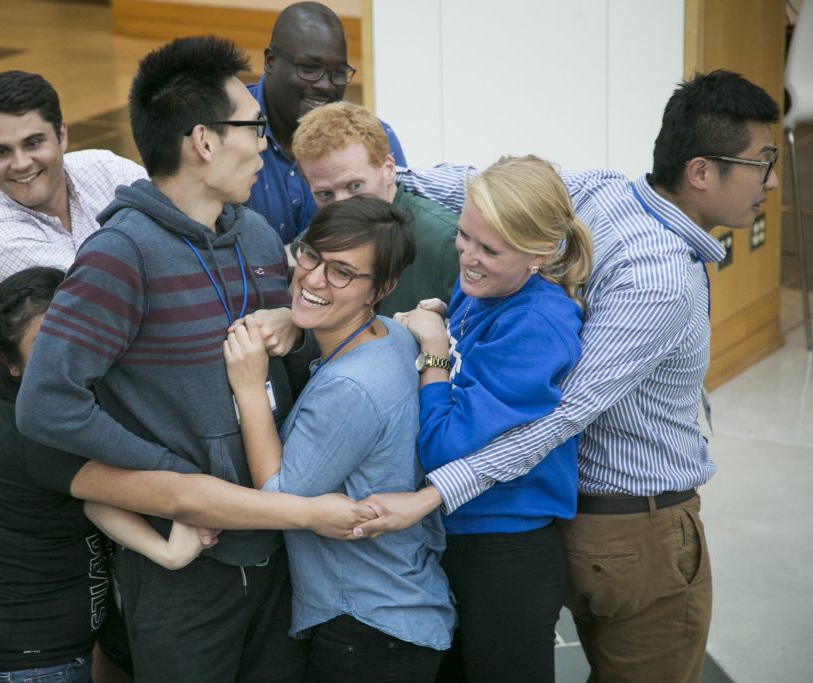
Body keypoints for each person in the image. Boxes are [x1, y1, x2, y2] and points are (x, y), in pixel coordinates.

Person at [358, 70, 782, 683]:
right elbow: (563, 416)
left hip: (564, 520)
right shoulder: (660, 280)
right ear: (701, 171)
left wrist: (392, 178)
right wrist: (434, 492)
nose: (770, 180)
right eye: (760, 162)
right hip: (635, 531)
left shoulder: (604, 192)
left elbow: (473, 182)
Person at [15, 36, 315, 681]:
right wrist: (178, 483)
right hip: (187, 568)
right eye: (254, 127)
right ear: (203, 141)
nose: (266, 143)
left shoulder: (258, 235)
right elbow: (46, 404)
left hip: (281, 550)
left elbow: (295, 368)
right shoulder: (119, 255)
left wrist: (297, 326)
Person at [0, 266, 376, 683]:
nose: (69, 351)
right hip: (20, 666)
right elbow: (178, 497)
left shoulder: (56, 408)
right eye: (45, 344)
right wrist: (309, 514)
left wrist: (287, 318)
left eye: (77, 333)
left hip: (56, 650)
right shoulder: (38, 431)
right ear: (10, 364)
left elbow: (99, 500)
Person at [224, 196, 455, 682]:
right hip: (398, 606)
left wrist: (249, 387)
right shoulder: (391, 335)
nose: (312, 279)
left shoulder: (353, 386)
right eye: (311, 255)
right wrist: (294, 320)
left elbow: (280, 497)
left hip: (368, 625)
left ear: (384, 287)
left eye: (342, 272)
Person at [394, 156, 591, 682]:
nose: (468, 257)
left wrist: (433, 350)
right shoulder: (481, 289)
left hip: (506, 553)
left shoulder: (537, 325)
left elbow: (443, 446)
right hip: (460, 536)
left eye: (489, 249)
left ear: (540, 254)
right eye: (464, 235)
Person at [0, 70, 148, 337]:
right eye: (1, 151)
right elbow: (99, 305)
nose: (21, 163)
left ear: (62, 135)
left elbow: (179, 227)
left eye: (33, 143)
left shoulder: (106, 170)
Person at [247, 1, 406, 243]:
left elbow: (397, 236)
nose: (325, 85)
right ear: (270, 61)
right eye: (309, 68)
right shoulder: (229, 126)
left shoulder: (374, 136)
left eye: (338, 73)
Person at [292, 101, 458, 316]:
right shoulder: (310, 246)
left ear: (389, 169)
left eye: (355, 186)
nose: (342, 205)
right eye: (325, 194)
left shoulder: (447, 244)